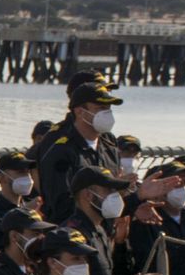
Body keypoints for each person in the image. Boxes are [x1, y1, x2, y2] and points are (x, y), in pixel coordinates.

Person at [37, 82, 122, 223]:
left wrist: (136, 199)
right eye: (100, 108)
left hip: (103, 235)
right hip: (71, 235)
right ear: (80, 111)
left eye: (108, 108)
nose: (107, 113)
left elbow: (112, 195)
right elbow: (60, 204)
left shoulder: (110, 149)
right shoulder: (62, 151)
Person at [0, 152, 39, 253]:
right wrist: (22, 214)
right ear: (2, 177)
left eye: (28, 172)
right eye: (21, 172)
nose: (27, 177)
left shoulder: (36, 207)